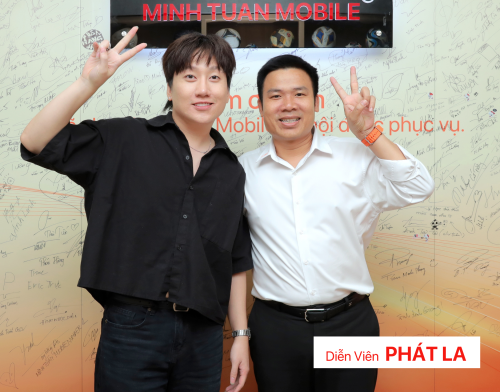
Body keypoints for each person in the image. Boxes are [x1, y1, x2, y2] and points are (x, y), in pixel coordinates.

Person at [20, 29, 252, 392]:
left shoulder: (231, 170)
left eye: (214, 78)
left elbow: (234, 260)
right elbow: (35, 141)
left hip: (204, 337)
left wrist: (240, 335)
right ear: (169, 89)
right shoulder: (124, 139)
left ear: (227, 90)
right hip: (132, 327)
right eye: (190, 77)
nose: (203, 89)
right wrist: (88, 82)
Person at [238, 55, 435, 392]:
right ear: (260, 106)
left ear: (317, 103)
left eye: (299, 94)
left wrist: (369, 133)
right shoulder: (243, 170)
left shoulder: (355, 157)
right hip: (275, 328)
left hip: (349, 323)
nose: (288, 105)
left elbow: (418, 186)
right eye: (276, 96)